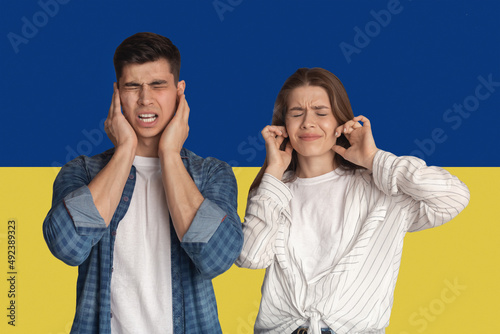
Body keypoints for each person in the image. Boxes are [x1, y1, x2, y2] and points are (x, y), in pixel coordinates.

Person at [236, 68, 470, 334]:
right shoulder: (272, 190)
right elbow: (251, 257)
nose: (308, 123)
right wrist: (274, 172)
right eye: (297, 113)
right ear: (283, 125)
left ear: (340, 121)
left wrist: (373, 158)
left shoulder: (381, 190)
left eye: (321, 113)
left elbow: (453, 197)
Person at [43, 32, 243, 334]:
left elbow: (216, 257)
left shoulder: (212, 174)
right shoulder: (83, 171)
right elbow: (67, 247)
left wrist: (169, 154)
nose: (145, 99)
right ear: (117, 93)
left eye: (158, 85)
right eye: (132, 86)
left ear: (179, 91)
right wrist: (125, 151)